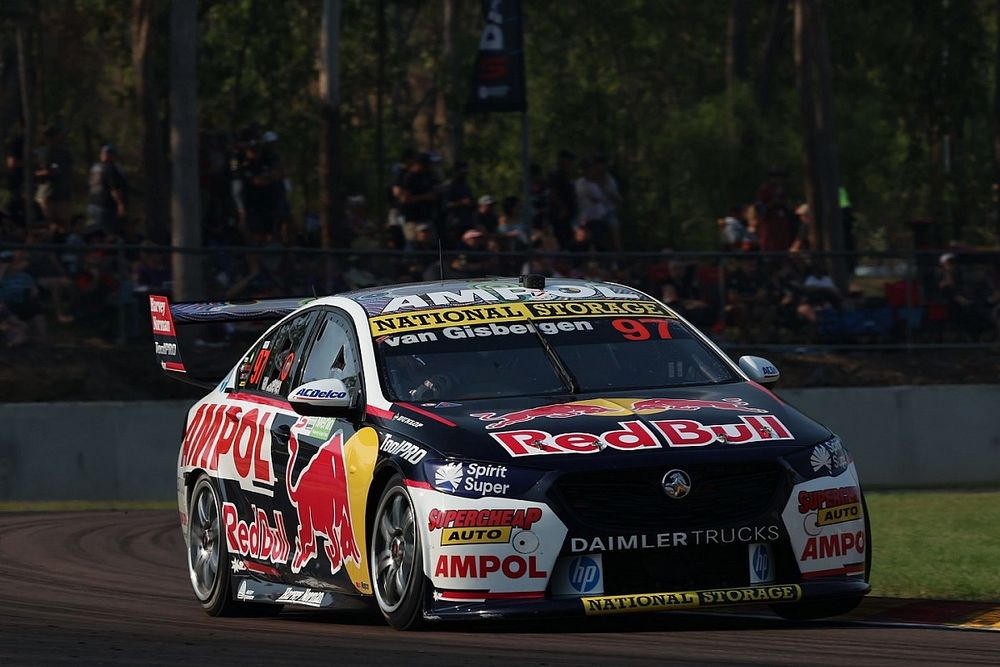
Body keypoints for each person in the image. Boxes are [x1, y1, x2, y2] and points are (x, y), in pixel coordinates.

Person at [34, 124, 75, 227]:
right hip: (46, 192)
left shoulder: (65, 152)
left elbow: (71, 171)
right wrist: (46, 173)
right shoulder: (39, 152)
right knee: (47, 221)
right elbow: (32, 172)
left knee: (63, 223)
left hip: (63, 193)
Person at [87, 144, 127, 233]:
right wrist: (120, 204)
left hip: (92, 205)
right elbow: (114, 189)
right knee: (107, 234)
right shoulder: (110, 168)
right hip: (105, 207)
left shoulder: (95, 168)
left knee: (95, 233)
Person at [546, 149, 577, 250]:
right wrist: (562, 208)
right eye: (568, 159)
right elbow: (552, 193)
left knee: (570, 241)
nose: (570, 163)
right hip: (559, 216)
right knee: (561, 241)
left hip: (569, 216)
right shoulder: (555, 175)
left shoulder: (567, 175)